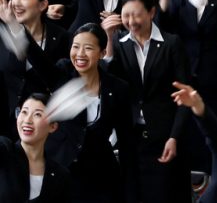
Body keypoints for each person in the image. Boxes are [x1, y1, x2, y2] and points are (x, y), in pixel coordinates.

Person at [22, 22, 137, 203]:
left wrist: (131, 195)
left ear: (102, 53)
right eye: (75, 47)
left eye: (88, 48)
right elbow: (37, 58)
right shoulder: (63, 73)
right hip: (60, 171)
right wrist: (16, 27)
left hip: (100, 177)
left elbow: (127, 144)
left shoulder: (118, 88)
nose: (80, 54)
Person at [104, 0, 191, 203]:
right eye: (126, 15)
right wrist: (108, 39)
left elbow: (185, 96)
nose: (131, 22)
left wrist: (174, 137)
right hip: (131, 138)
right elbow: (109, 83)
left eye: (136, 15)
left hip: (164, 136)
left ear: (151, 12)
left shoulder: (171, 44)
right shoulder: (119, 44)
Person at [0, 93, 72, 202]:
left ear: (53, 126)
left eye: (37, 114)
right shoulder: (4, 149)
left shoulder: (60, 175)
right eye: (24, 112)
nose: (27, 120)